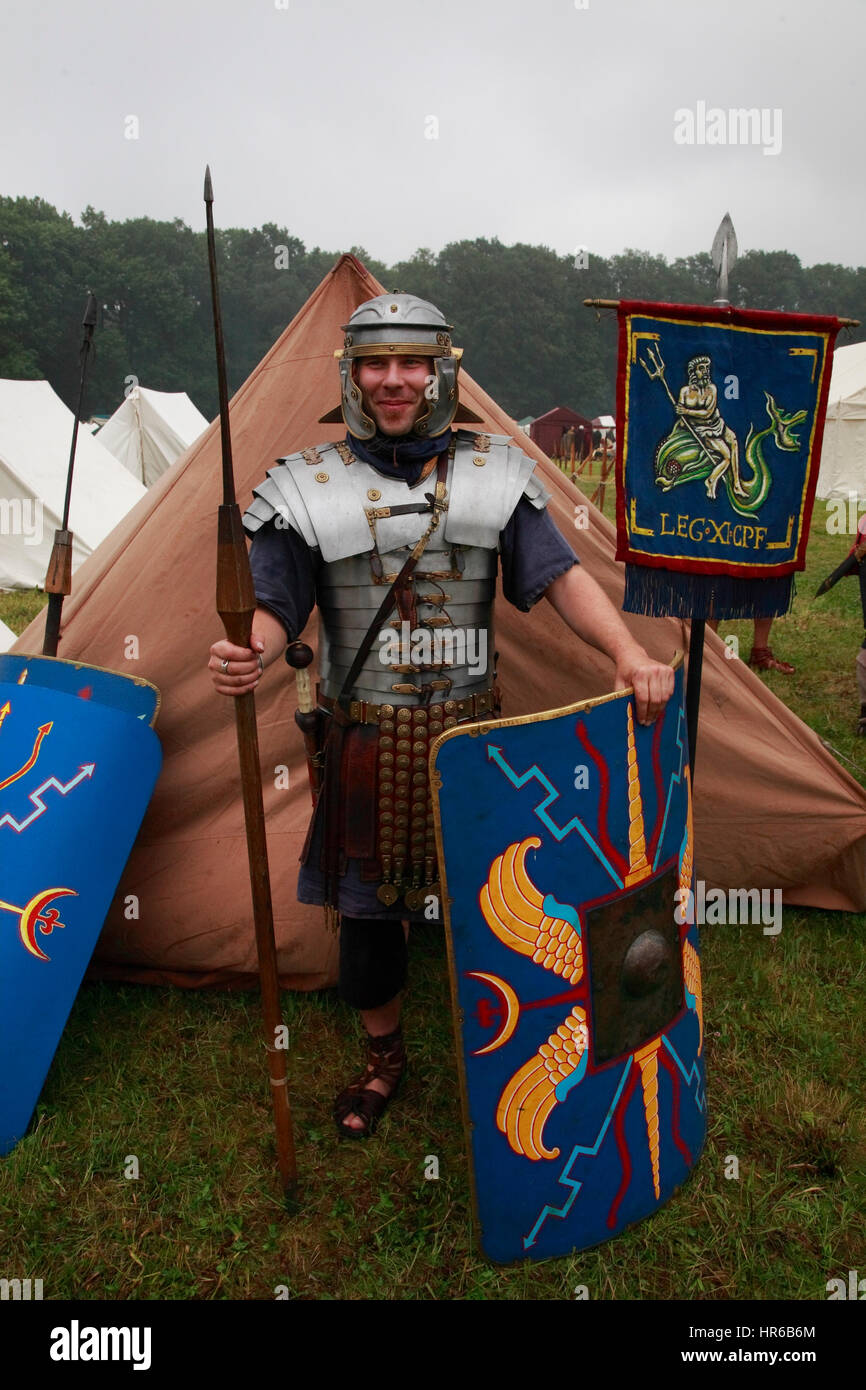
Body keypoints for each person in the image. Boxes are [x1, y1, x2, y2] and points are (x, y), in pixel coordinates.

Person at [208, 293, 675, 1139]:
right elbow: (275, 604)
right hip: (368, 738)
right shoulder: (301, 487)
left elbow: (560, 578)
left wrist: (627, 653)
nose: (392, 381)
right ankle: (386, 1056)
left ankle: (505, 1039)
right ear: (351, 374)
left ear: (440, 370)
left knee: (504, 897)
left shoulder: (497, 473)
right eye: (374, 364)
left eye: (409, 362)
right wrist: (253, 650)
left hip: (473, 738)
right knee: (371, 915)